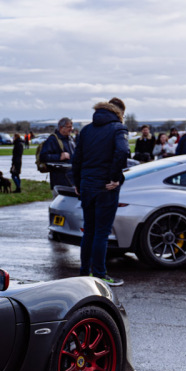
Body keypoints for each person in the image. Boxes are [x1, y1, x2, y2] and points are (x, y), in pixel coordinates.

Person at [72, 98, 130, 286]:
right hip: (105, 187)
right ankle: (99, 273)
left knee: (88, 231)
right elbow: (122, 152)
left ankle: (84, 272)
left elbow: (77, 158)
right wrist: (114, 177)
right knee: (101, 233)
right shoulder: (118, 129)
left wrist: (78, 182)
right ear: (120, 112)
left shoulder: (87, 130)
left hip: (87, 185)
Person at [39, 117, 76, 188]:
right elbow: (43, 157)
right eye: (69, 127)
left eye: (72, 127)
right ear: (61, 127)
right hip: (59, 182)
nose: (71, 129)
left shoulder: (70, 139)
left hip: (72, 180)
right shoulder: (52, 140)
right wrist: (59, 157)